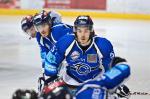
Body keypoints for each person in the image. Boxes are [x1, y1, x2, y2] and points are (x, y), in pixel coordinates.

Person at [44, 15, 115, 87]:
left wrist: (112, 82)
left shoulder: (103, 45)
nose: (82, 35)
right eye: (79, 31)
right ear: (75, 31)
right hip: (70, 81)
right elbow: (51, 61)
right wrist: (51, 78)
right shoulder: (65, 42)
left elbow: (110, 66)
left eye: (86, 31)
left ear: (91, 31)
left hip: (95, 83)